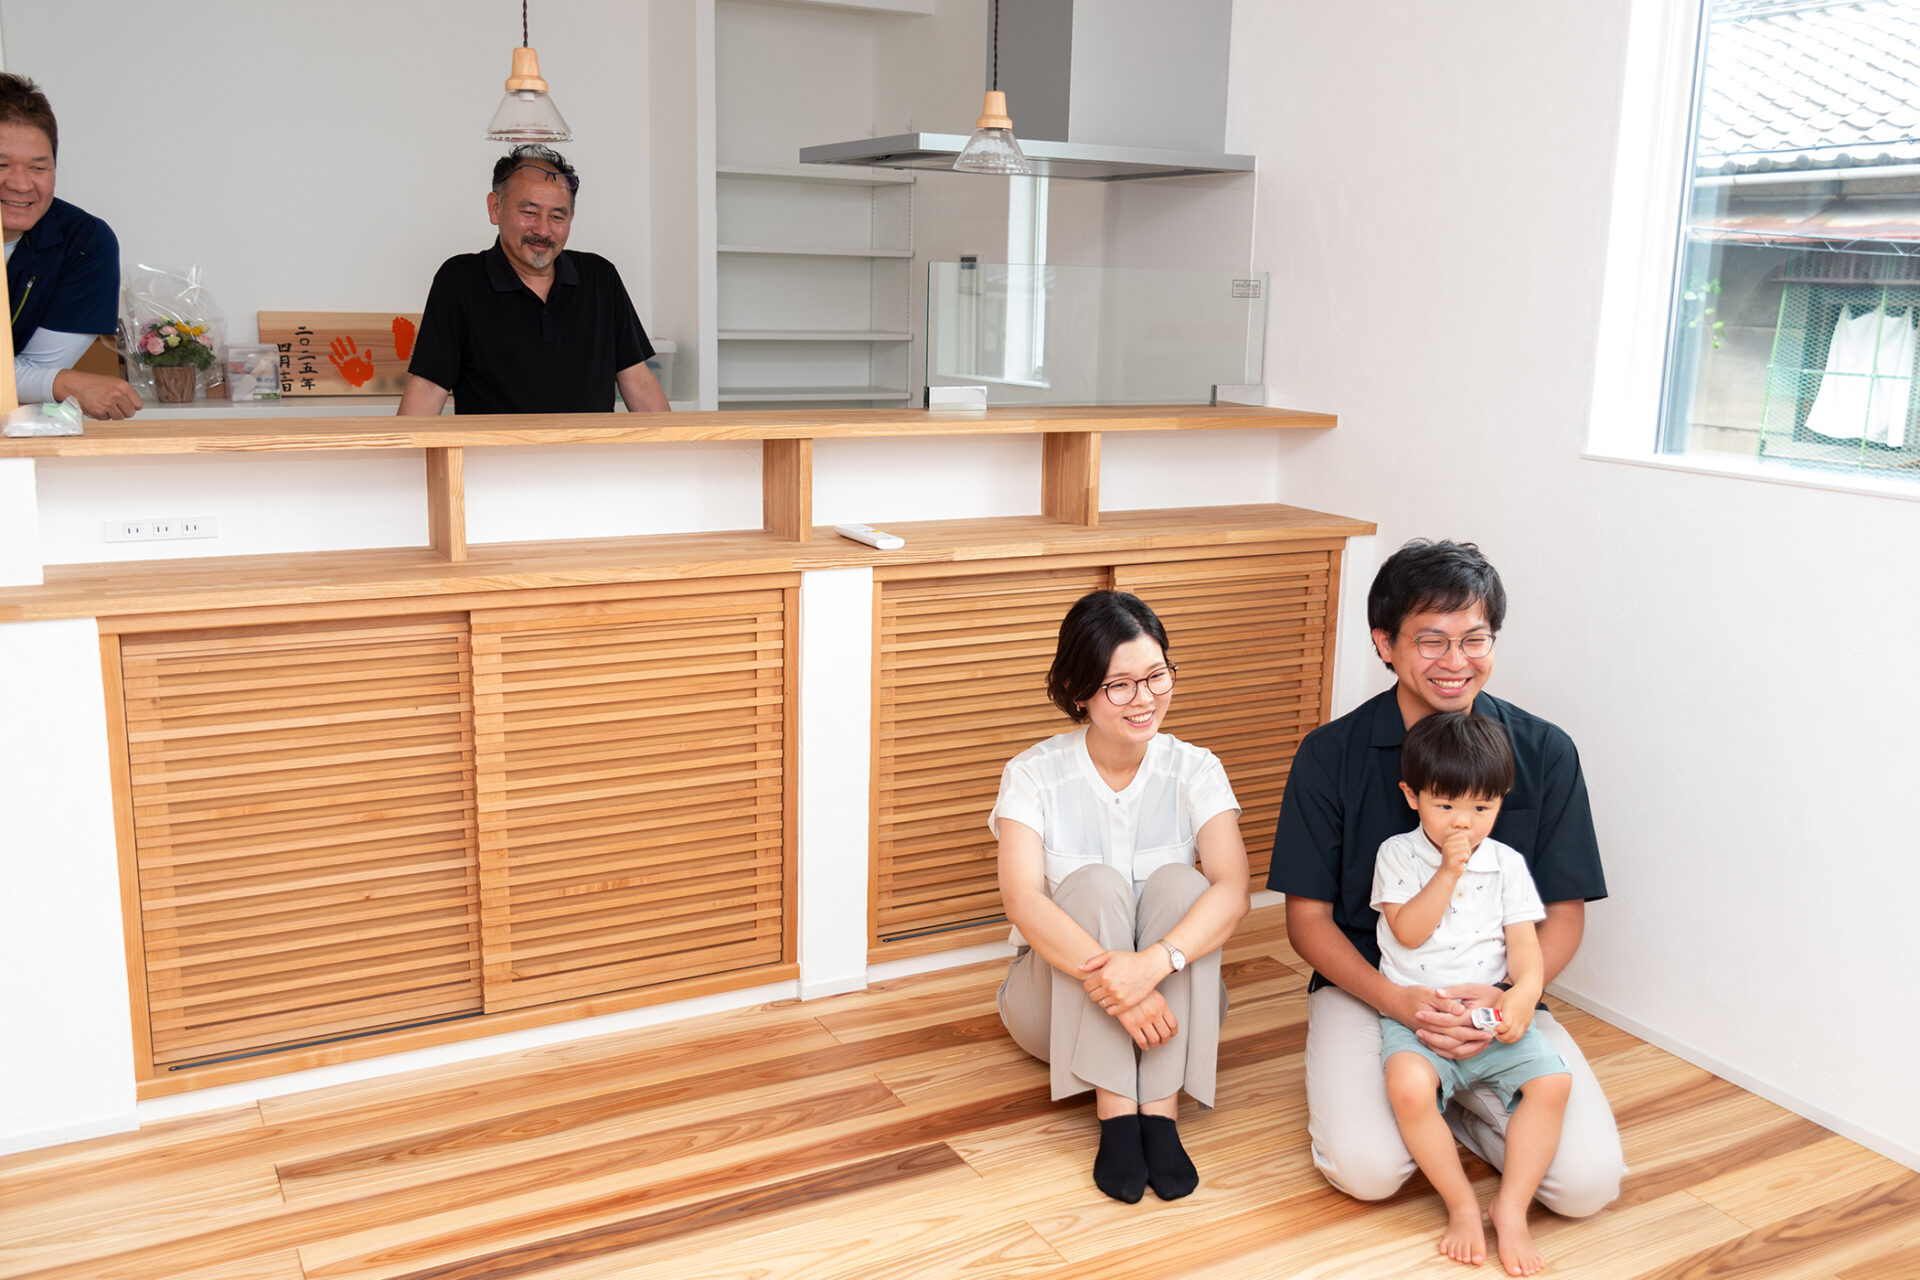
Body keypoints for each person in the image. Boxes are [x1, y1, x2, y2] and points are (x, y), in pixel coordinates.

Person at [1269, 539, 1623, 1218]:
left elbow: (1564, 912)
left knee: (1586, 1186)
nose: (1456, 661)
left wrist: (1508, 998)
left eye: (1474, 639)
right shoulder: (1329, 755)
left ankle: (1452, 1098)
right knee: (1369, 1172)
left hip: (1496, 993)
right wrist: (1398, 1002)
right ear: (1385, 644)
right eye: (1431, 640)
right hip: (1373, 989)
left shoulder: (1545, 751)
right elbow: (1308, 920)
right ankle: (1427, 1092)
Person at [990, 590, 1251, 1203]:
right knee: (1095, 884)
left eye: (1157, 675)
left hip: (1173, 1004)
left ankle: (1159, 1112)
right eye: (1121, 685)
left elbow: (1234, 889)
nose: (1146, 698)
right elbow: (1023, 901)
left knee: (1184, 884)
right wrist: (1125, 994)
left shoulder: (1196, 768)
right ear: (1078, 690)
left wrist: (1152, 967)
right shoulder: (1032, 774)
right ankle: (1116, 1112)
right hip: (1053, 1009)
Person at [1377, 711, 1571, 1276]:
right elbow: (1408, 932)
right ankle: (1461, 1204)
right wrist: (1447, 873)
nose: (1463, 822)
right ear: (1412, 797)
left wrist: (1523, 995)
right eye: (1445, 806)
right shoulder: (1398, 854)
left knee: (1553, 1083)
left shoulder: (1507, 864)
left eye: (1482, 808)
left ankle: (1511, 1209)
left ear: (1501, 802)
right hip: (1422, 1016)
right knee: (1408, 1086)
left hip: (1489, 1013)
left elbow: (1525, 950)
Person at [398, 145, 668, 416]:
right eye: (529, 212)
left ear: (571, 219)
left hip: (588, 445)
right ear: (495, 208)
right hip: (496, 446)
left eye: (557, 216)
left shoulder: (600, 277)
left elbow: (637, 380)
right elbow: (429, 387)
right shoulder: (459, 280)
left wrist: (676, 442)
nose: (543, 229)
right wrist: (403, 443)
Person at [0, 72, 141, 420]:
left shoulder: (84, 242)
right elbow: (46, 380)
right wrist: (65, 383)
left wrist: (54, 381)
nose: (20, 184)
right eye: (1, 165)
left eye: (38, 167)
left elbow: (35, 373)